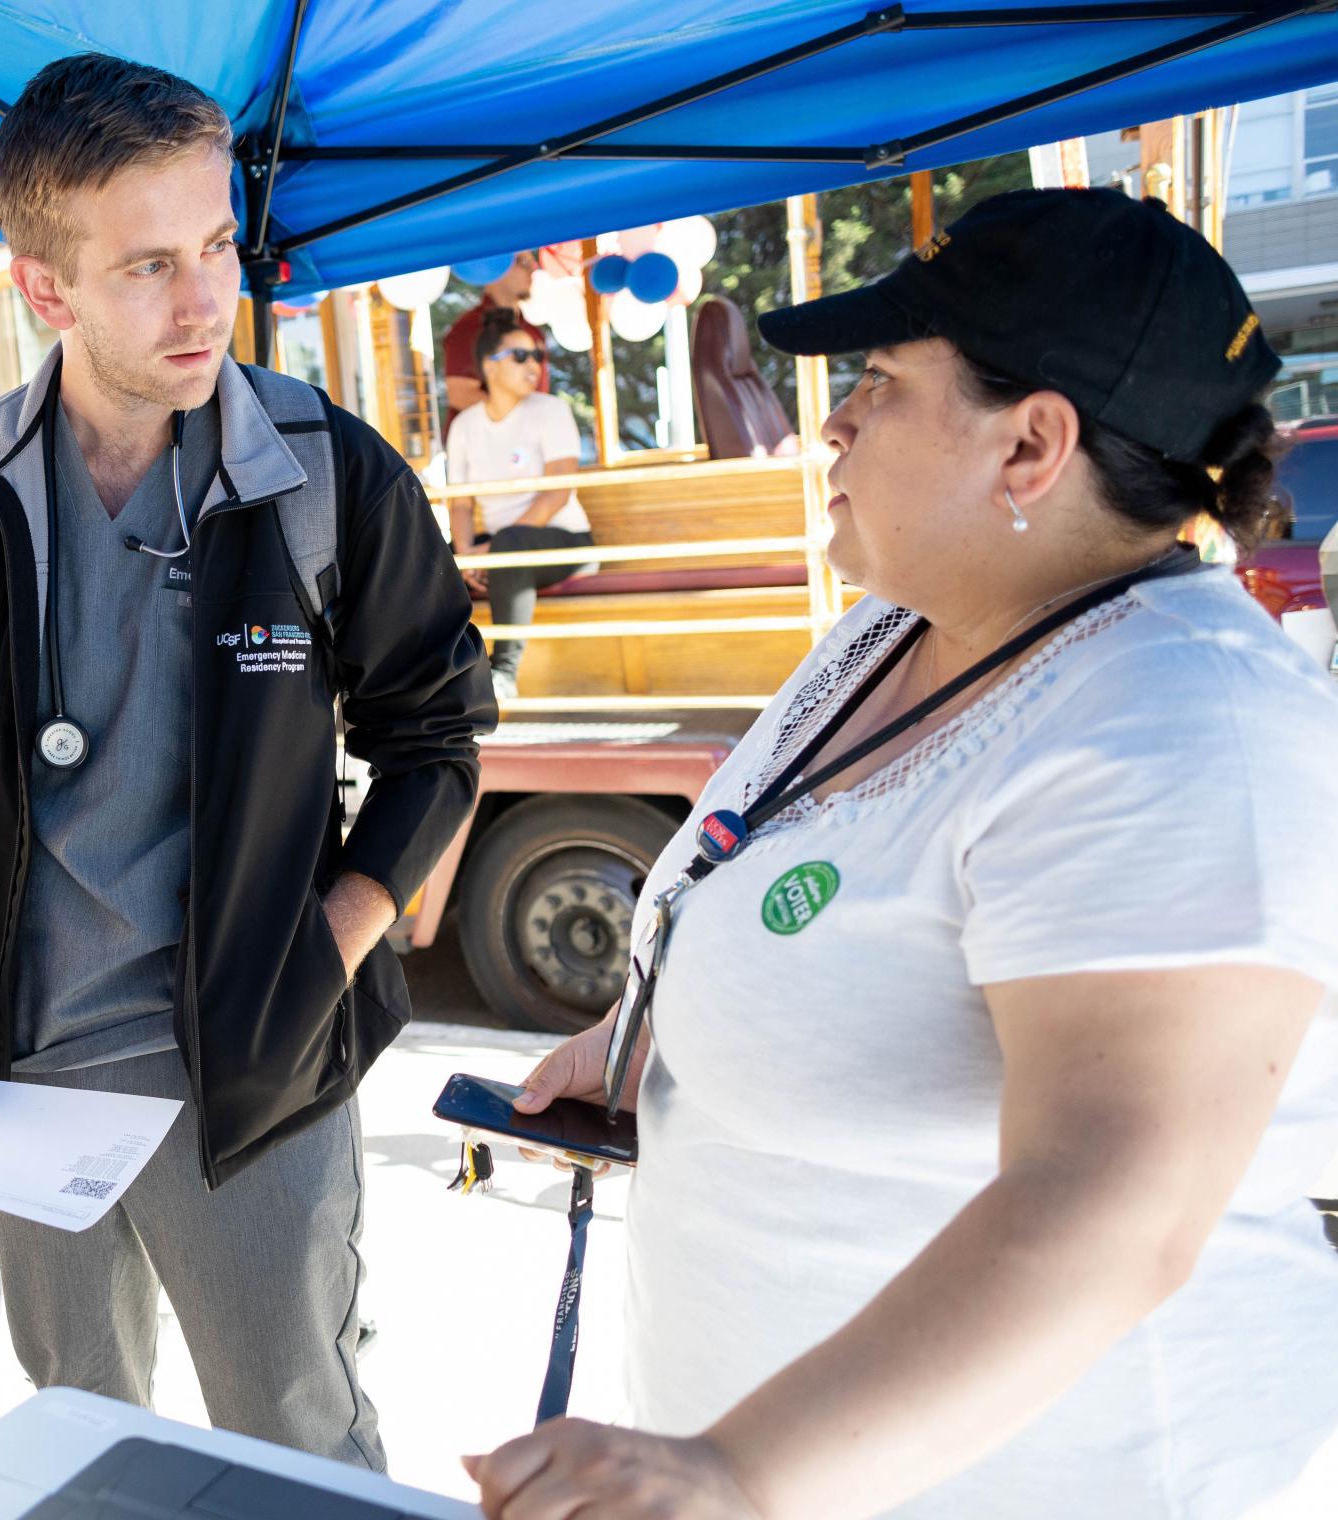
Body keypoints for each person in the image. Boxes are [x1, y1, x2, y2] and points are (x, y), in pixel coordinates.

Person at [466, 189, 1338, 1519]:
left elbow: (1115, 1206)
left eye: (878, 380)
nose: (835, 418)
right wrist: (669, 1039)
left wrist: (738, 1472)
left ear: (1032, 445)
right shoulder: (897, 627)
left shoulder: (1180, 727)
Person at [0, 53, 490, 1469]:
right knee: (75, 1438)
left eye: (214, 249)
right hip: (15, 1083)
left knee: (298, 1437)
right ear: (43, 288)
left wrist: (325, 948)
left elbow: (436, 735)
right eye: (147, 268)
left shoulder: (326, 472)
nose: (205, 303)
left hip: (245, 1078)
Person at [446, 308, 592, 703]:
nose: (534, 366)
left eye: (538, 357)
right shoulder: (465, 426)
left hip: (563, 540)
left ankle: (504, 673)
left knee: (510, 543)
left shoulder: (551, 410)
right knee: (434, 558)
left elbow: (557, 493)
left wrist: (491, 553)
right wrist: (465, 556)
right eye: (521, 356)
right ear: (489, 367)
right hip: (498, 545)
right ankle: (440, 670)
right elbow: (460, 505)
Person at [441, 250, 544, 435]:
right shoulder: (469, 328)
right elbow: (460, 394)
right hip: (483, 449)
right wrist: (521, 424)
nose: (532, 271)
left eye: (533, 264)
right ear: (498, 264)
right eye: (524, 263)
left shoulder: (534, 333)